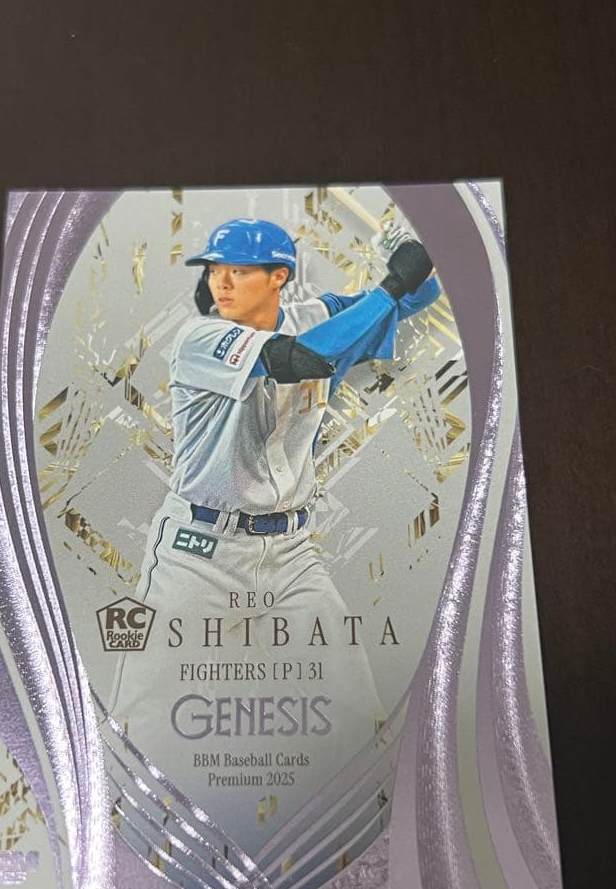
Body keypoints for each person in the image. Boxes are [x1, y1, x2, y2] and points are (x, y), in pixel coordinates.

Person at [107, 216, 441, 855]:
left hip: (290, 551)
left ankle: (385, 839)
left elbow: (416, 294)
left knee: (348, 686)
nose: (221, 282)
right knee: (148, 700)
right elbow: (302, 359)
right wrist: (387, 287)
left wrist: (408, 257)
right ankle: (112, 826)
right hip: (199, 549)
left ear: (279, 277)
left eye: (239, 270)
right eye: (216, 270)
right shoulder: (202, 337)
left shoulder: (316, 312)